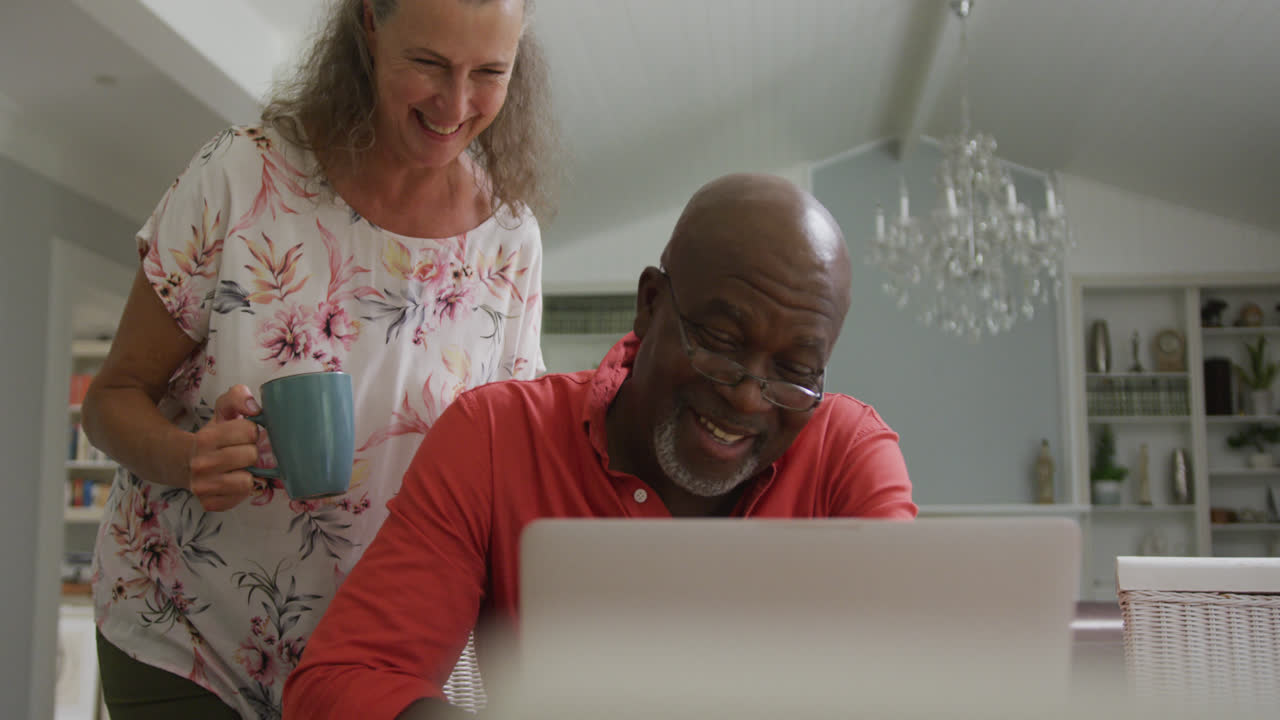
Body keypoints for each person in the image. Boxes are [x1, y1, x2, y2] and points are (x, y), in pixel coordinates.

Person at [282, 173, 917, 720]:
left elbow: (917, 682)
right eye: (721, 341)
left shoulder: (846, 454)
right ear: (649, 305)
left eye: (794, 370)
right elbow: (342, 684)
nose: (750, 398)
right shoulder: (499, 437)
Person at [79, 0, 555, 716]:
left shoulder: (510, 241)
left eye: (489, 72)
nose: (455, 105)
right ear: (369, 24)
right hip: (186, 638)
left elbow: (507, 465)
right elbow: (110, 398)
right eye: (428, 63)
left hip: (373, 667)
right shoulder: (239, 177)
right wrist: (189, 458)